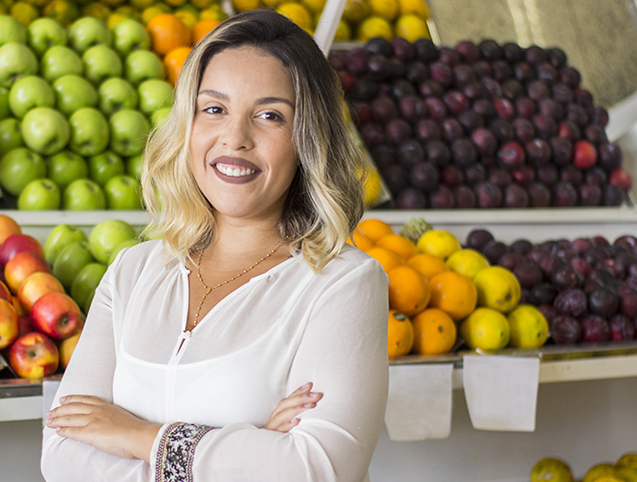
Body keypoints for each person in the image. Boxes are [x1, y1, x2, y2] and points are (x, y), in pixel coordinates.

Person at [42, 9, 388, 482]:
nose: (235, 138)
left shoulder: (343, 282)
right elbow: (62, 455)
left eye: (270, 116)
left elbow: (317, 470)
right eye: (214, 108)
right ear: (188, 123)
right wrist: (252, 445)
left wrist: (138, 437)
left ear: (307, 138)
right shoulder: (133, 272)